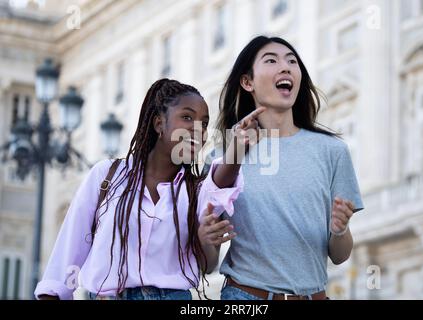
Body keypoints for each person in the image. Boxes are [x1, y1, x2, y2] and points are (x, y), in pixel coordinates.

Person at [34, 78, 256, 300]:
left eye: (204, 123)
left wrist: (237, 149)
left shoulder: (196, 191)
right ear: (159, 123)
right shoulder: (107, 176)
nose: (198, 130)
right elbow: (69, 249)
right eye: (187, 117)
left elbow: (208, 264)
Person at [208, 36, 364, 300]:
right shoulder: (223, 156)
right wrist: (206, 238)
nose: (286, 67)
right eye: (272, 60)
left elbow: (340, 255)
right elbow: (208, 262)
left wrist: (340, 229)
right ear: (248, 82)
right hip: (245, 298)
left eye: (292, 61)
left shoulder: (332, 151)